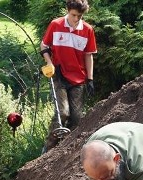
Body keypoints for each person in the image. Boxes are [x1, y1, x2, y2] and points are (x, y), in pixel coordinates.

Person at [40, 0, 97, 152]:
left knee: (77, 119)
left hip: (78, 78)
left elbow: (88, 55)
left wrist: (90, 79)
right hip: (59, 74)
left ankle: (65, 152)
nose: (76, 19)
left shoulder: (87, 30)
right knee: (63, 113)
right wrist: (49, 62)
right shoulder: (56, 25)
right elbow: (44, 45)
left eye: (79, 16)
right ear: (67, 10)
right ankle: (49, 148)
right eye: (73, 15)